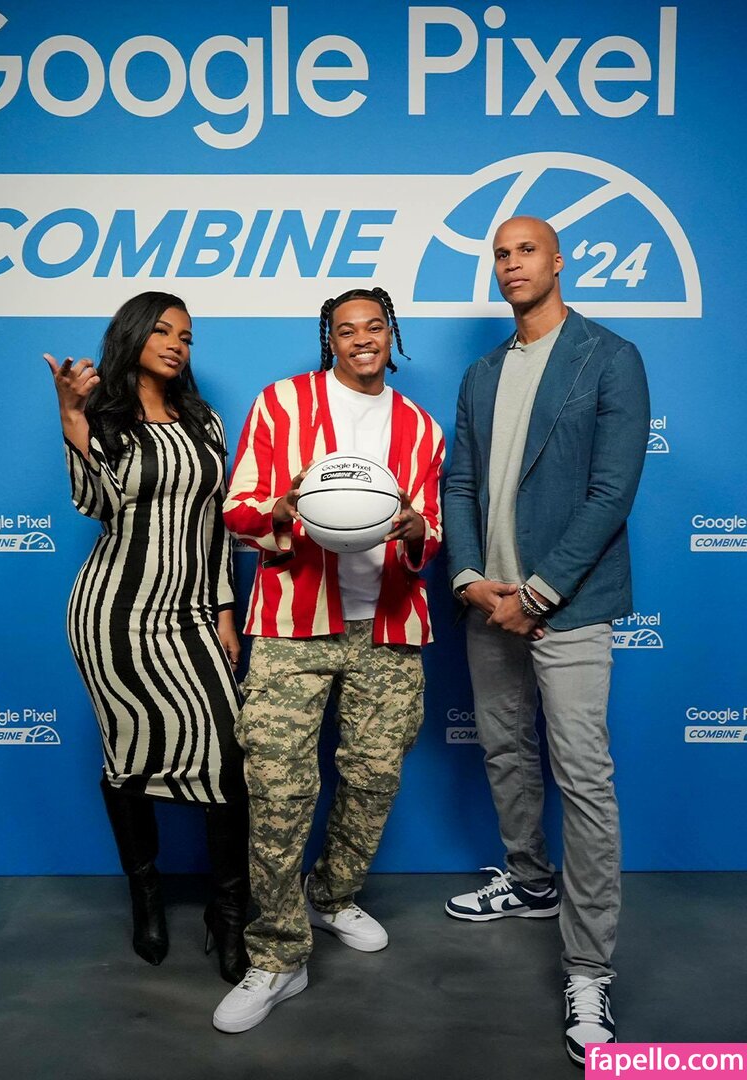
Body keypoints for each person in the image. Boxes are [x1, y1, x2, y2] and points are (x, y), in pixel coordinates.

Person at [442, 217, 650, 1064]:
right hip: (488, 604)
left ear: (558, 261)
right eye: (500, 253)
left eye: (525, 249)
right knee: (504, 751)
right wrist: (469, 578)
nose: (511, 263)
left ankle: (589, 969)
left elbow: (611, 492)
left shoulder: (610, 357)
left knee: (584, 779)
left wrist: (538, 593)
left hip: (568, 605)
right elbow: (459, 481)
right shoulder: (483, 372)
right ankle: (529, 882)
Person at [212, 287, 444, 1033]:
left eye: (374, 326)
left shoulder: (421, 427)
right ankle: (279, 955)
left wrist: (416, 528)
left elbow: (433, 529)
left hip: (389, 625)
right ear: (330, 339)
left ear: (391, 334)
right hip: (293, 626)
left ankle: (332, 894)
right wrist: (278, 510)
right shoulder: (281, 404)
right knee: (278, 787)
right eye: (346, 330)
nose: (362, 339)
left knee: (375, 777)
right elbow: (238, 506)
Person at [43, 291, 249, 984]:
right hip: (115, 615)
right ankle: (146, 894)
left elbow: (217, 525)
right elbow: (96, 501)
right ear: (132, 336)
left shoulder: (204, 420)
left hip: (192, 615)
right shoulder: (104, 417)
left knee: (229, 756)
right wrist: (72, 417)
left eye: (186, 336)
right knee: (129, 756)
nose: (176, 344)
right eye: (162, 331)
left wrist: (225, 613)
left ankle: (228, 911)